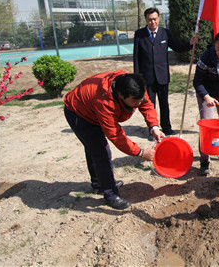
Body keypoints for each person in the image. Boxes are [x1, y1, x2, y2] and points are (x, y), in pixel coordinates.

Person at [63, 71, 164, 210]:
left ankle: (99, 184)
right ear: (121, 95)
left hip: (92, 108)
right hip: (79, 113)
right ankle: (111, 195)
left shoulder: (135, 85)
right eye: (134, 102)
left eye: (139, 99)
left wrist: (154, 128)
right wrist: (140, 153)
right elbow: (116, 135)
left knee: (93, 148)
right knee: (101, 152)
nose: (138, 104)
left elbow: (146, 105)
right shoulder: (104, 101)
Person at [133, 7, 198, 137]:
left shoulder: (165, 33)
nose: (153, 22)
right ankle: (153, 129)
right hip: (147, 77)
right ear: (146, 20)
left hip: (162, 76)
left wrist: (190, 44)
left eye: (155, 19)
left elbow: (177, 47)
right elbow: (136, 57)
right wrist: (137, 78)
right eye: (150, 20)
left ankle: (167, 128)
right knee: (150, 106)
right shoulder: (139, 34)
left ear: (159, 19)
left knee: (164, 104)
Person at [193, 31, 219, 176]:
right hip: (206, 93)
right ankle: (204, 160)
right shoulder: (205, 57)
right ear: (214, 47)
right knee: (206, 126)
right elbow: (197, 81)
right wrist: (207, 97)